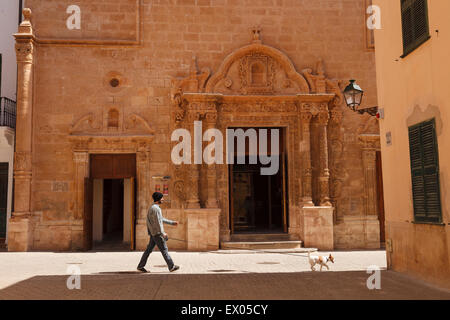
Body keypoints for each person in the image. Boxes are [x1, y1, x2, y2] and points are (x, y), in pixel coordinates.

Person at [137, 192, 180, 273]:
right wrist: (162, 233)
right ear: (158, 199)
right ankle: (171, 266)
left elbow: (160, 219)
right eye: (162, 198)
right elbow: (158, 222)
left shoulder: (153, 208)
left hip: (154, 233)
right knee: (164, 249)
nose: (163, 199)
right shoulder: (156, 209)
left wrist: (172, 223)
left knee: (148, 250)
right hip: (157, 233)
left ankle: (140, 266)